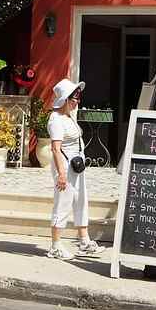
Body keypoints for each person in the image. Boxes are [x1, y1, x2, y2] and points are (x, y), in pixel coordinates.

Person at [47, 78, 103, 260]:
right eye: (74, 98)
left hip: (76, 166)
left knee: (81, 200)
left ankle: (84, 241)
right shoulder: (56, 120)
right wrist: (61, 174)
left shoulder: (69, 116)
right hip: (65, 166)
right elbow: (55, 149)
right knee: (63, 203)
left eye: (78, 98)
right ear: (65, 98)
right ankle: (55, 245)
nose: (77, 101)